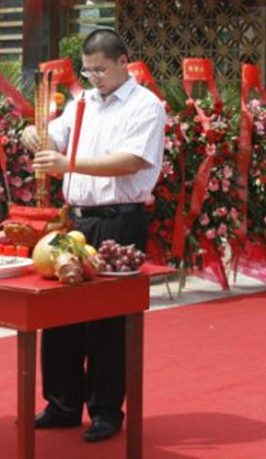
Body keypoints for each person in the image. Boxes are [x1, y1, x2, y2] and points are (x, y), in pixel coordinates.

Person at [21, 28, 166, 443]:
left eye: (101, 70)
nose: (94, 78)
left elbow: (132, 160)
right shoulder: (82, 101)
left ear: (123, 63)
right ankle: (62, 403)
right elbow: (55, 137)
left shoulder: (145, 105)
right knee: (60, 315)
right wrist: (34, 134)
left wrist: (68, 164)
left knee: (108, 320)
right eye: (88, 71)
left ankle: (106, 409)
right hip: (77, 221)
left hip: (119, 220)